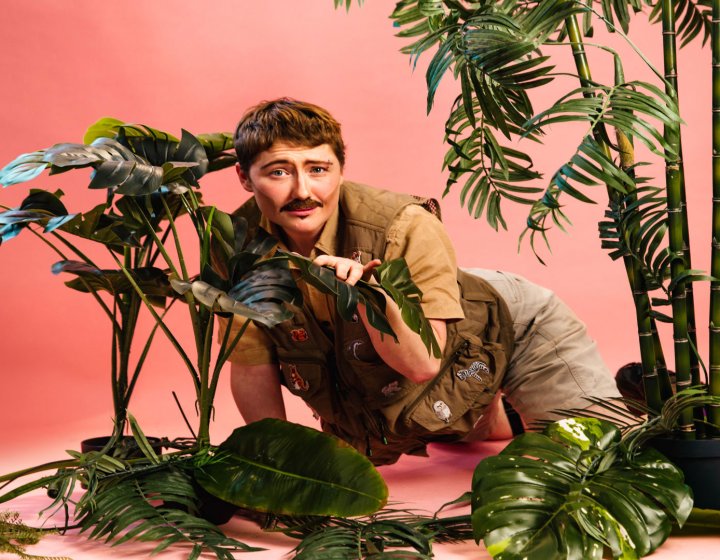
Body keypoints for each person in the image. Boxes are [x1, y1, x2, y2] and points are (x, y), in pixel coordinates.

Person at [223, 98, 622, 465]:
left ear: (341, 170)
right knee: (438, 414)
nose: (302, 191)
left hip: (505, 324)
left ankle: (642, 403)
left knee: (590, 463)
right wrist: (276, 467)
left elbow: (422, 365)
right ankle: (512, 410)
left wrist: (368, 296)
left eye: (318, 169)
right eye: (278, 172)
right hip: (452, 365)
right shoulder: (235, 245)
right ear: (244, 177)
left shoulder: (405, 224)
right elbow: (250, 364)